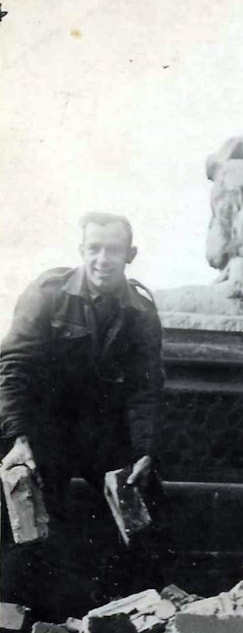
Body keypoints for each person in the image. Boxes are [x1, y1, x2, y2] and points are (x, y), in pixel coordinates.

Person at [0, 212, 164, 611]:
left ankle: (129, 612)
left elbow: (144, 387)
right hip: (41, 424)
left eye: (113, 250)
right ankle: (15, 615)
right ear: (81, 250)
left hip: (99, 429)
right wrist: (18, 438)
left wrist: (144, 450)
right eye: (94, 248)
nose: (102, 260)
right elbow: (14, 365)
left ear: (130, 255)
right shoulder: (48, 293)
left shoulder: (141, 311)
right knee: (21, 504)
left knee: (145, 501)